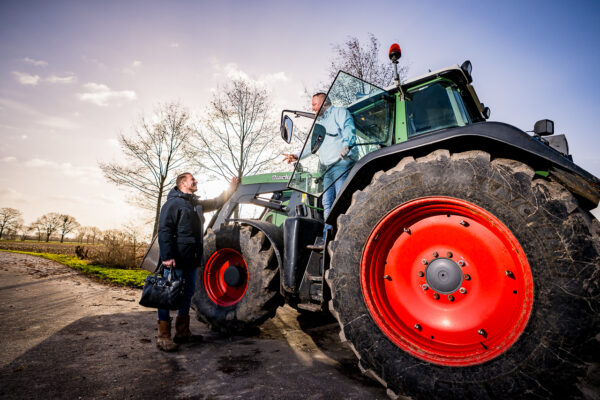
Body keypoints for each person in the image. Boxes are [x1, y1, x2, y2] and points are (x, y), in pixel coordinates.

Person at [155, 172, 239, 352]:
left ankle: (182, 332)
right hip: (175, 259)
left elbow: (217, 202)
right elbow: (164, 230)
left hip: (192, 259)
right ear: (182, 183)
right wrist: (167, 256)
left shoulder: (195, 203)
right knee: (167, 296)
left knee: (188, 294)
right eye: (192, 179)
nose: (196, 181)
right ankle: (163, 336)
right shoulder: (173, 204)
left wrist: (232, 188)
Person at [283, 92, 356, 248]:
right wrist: (296, 155)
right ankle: (328, 238)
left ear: (323, 102)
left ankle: (344, 236)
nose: (312, 108)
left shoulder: (339, 112)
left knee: (340, 201)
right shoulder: (320, 124)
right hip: (327, 169)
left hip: (341, 164)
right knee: (327, 203)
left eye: (314, 104)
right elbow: (312, 146)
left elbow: (348, 127)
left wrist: (347, 145)